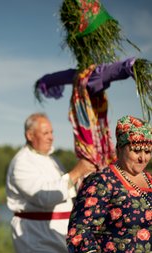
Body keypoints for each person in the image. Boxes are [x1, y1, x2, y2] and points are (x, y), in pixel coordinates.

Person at [34, 0, 152, 171]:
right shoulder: (89, 75)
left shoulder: (82, 76)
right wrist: (131, 66)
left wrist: (43, 81)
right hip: (93, 154)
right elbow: (115, 70)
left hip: (91, 152)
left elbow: (113, 70)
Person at [5, 112, 96, 253]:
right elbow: (45, 197)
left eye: (52, 132)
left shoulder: (52, 159)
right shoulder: (21, 162)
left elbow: (65, 190)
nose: (51, 137)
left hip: (57, 234)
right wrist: (76, 172)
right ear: (30, 135)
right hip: (37, 238)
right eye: (46, 133)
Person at [66, 115, 152, 253]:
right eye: (136, 150)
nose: (142, 157)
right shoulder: (102, 181)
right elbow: (81, 229)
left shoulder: (150, 181)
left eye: (148, 151)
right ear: (119, 148)